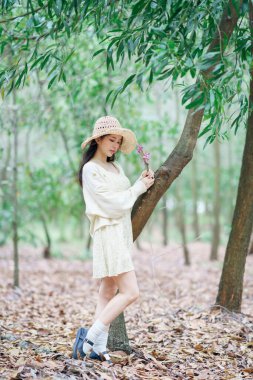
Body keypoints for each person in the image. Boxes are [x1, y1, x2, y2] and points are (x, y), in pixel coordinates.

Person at [73, 115, 155, 364]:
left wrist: (142, 181)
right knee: (131, 292)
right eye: (111, 140)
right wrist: (139, 187)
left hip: (120, 231)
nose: (115, 146)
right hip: (107, 231)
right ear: (97, 140)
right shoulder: (91, 170)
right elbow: (111, 204)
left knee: (108, 290)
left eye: (118, 141)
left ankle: (98, 347)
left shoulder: (116, 168)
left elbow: (123, 196)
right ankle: (88, 339)